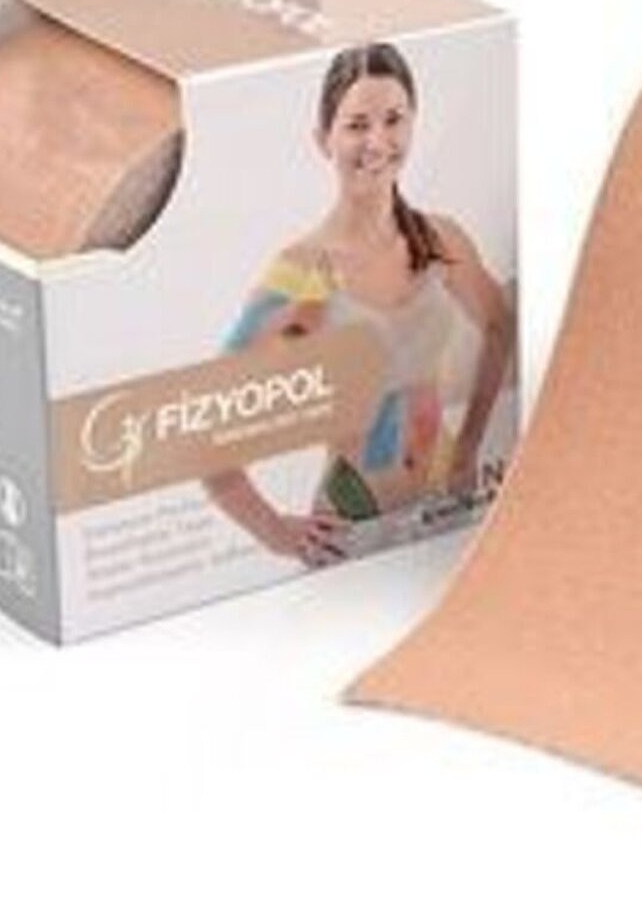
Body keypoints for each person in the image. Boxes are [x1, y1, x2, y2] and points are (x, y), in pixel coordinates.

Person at [205, 42, 513, 566]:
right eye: (356, 125)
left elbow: (500, 327)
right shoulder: (304, 271)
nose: (378, 141)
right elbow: (207, 426)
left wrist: (469, 447)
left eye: (394, 120)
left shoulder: (440, 240)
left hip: (446, 511)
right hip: (353, 529)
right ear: (323, 139)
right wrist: (274, 532)